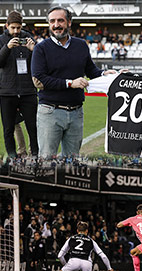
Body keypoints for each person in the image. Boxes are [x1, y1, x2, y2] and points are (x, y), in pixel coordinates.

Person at [31, 6, 116, 158]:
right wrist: (70, 83)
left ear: (69, 22)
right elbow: (39, 79)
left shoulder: (81, 45)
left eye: (60, 20)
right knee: (46, 160)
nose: (56, 25)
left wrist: (104, 74)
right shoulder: (40, 48)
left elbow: (91, 70)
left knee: (72, 163)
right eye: (52, 21)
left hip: (76, 113)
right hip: (50, 112)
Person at [0, 10, 38, 158]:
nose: (16, 31)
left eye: (18, 28)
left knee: (32, 127)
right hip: (6, 92)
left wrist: (33, 51)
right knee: (8, 129)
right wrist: (7, 48)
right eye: (13, 28)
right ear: (7, 26)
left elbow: (38, 64)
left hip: (28, 91)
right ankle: (12, 157)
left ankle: (35, 155)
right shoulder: (1, 40)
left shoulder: (28, 38)